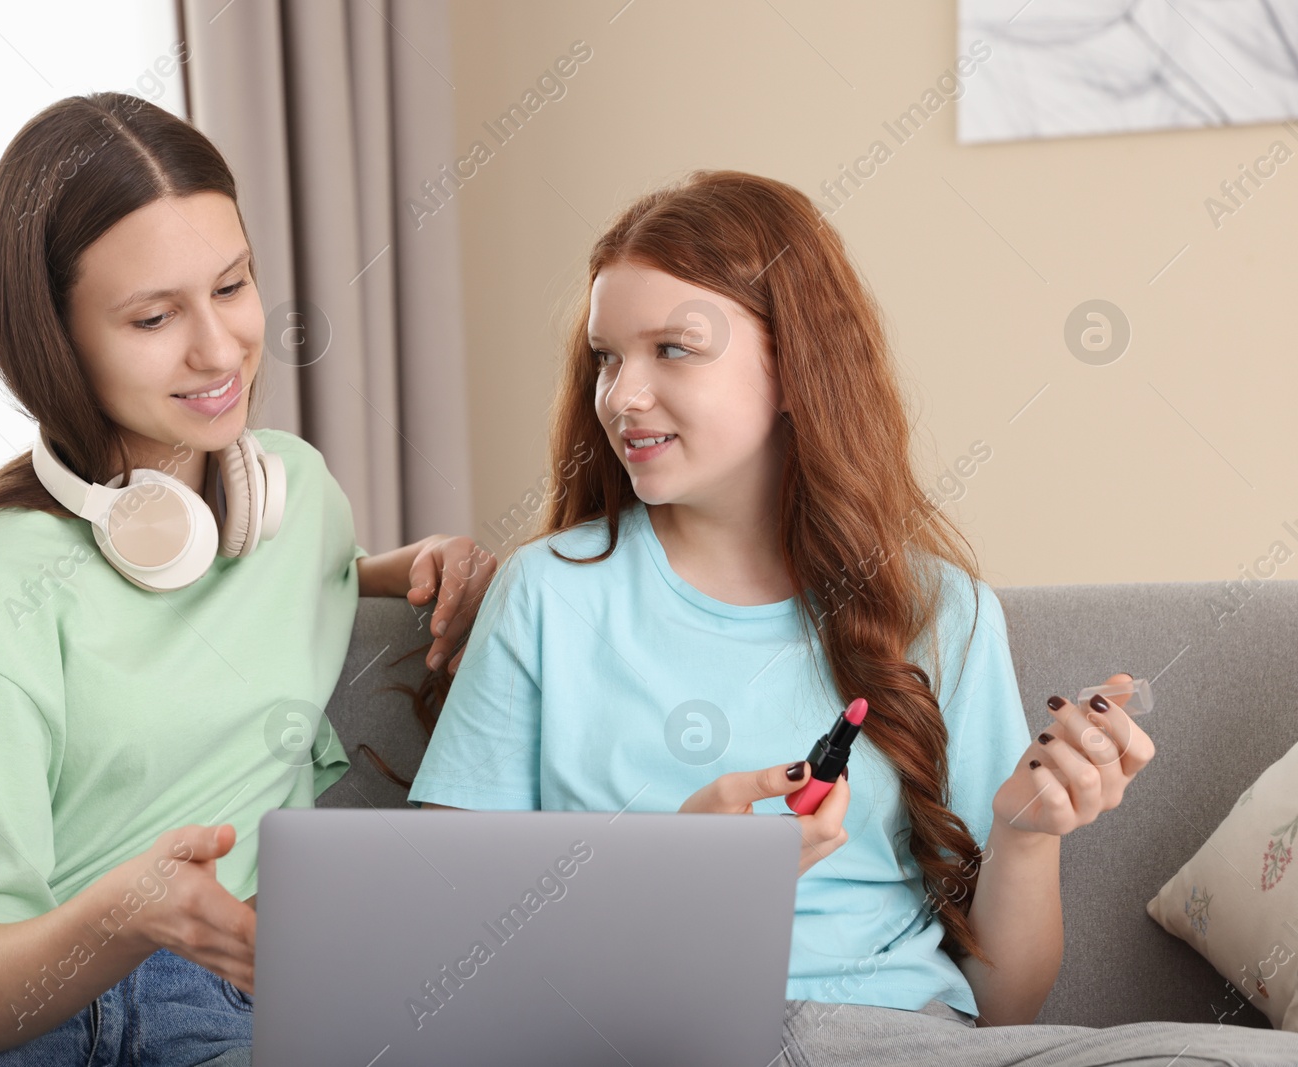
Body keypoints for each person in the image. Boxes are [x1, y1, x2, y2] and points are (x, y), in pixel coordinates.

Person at [406, 170, 1298, 1065]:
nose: (623, 395)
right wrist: (673, 884)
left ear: (797, 367)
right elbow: (431, 939)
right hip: (639, 1030)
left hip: (897, 1040)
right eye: (607, 355)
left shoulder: (942, 611)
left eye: (672, 349)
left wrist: (1027, 835)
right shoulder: (548, 593)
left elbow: (1007, 1006)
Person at [0, 91, 494, 1066]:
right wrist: (128, 909)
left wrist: (416, 563)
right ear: (56, 339)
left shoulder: (298, 505)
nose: (217, 347)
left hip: (207, 1014)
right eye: (155, 315)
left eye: (233, 285)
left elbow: (310, 588)